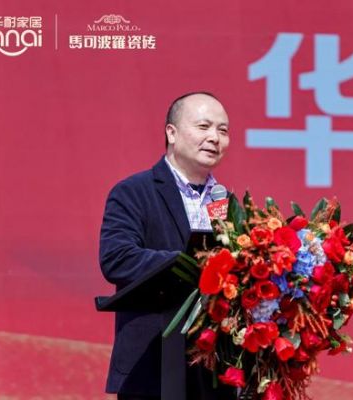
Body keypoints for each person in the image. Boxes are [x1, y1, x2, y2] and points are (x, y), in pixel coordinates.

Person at [99, 92, 237, 400]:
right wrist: (188, 264)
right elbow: (117, 258)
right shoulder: (133, 192)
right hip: (151, 366)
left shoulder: (227, 203)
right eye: (203, 126)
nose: (214, 138)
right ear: (172, 133)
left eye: (223, 130)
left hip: (214, 375)